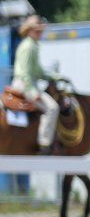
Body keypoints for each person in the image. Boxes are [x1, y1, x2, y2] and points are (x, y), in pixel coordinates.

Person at [11, 15, 60, 153]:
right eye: (38, 31)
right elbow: (26, 73)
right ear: (30, 31)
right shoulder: (28, 47)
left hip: (27, 83)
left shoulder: (32, 45)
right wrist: (33, 92)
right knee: (52, 108)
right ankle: (44, 144)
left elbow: (37, 71)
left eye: (41, 31)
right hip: (25, 85)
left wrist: (55, 77)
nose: (40, 33)